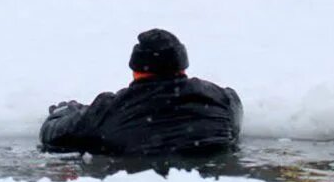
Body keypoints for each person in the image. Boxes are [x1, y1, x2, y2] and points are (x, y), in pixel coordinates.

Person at [40, 29, 243, 157]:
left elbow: (52, 134)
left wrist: (69, 110)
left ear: (136, 70)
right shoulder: (219, 99)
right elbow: (234, 112)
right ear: (182, 66)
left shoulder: (107, 112)